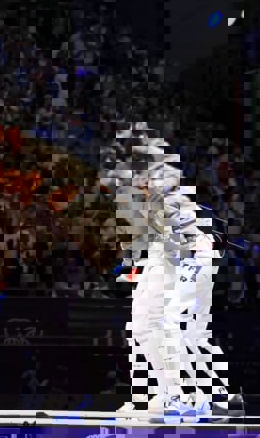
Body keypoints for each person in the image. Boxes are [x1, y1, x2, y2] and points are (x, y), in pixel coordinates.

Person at [101, 123, 240, 422]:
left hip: (187, 256)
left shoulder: (162, 188)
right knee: (148, 327)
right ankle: (179, 393)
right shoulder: (145, 197)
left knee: (170, 327)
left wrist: (186, 261)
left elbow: (183, 232)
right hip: (174, 256)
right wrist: (136, 267)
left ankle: (187, 395)